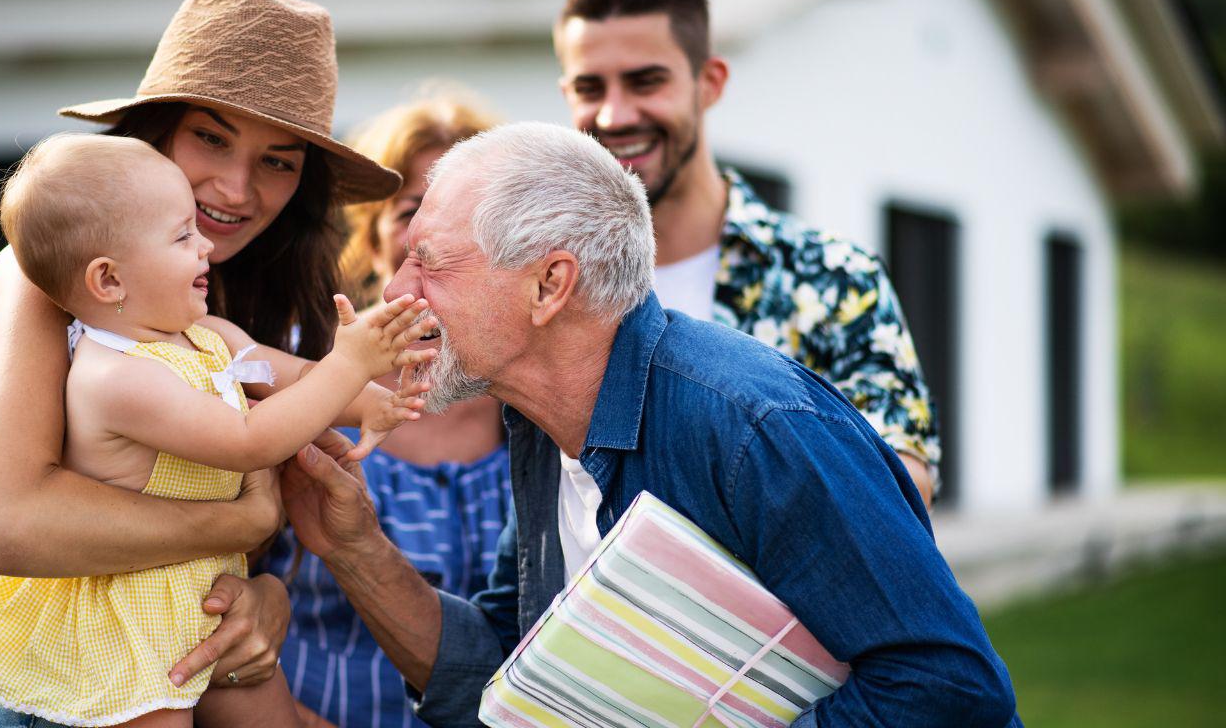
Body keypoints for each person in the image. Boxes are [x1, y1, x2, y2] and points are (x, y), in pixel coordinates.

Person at [281, 122, 1022, 726]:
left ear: (549, 285)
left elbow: (950, 690)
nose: (397, 292)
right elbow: (509, 669)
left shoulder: (750, 429)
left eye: (430, 264)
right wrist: (354, 549)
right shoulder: (540, 424)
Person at [0, 0, 401, 726]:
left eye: (278, 162)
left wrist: (266, 596)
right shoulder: (47, 282)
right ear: (153, 133)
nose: (234, 188)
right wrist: (239, 526)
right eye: (210, 138)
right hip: (52, 689)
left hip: (177, 660)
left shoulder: (222, 299)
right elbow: (0, 525)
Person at [553, 0, 939, 505]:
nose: (614, 116)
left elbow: (901, 489)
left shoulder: (833, 280)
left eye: (645, 81)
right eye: (591, 88)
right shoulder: (547, 287)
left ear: (709, 83)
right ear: (568, 95)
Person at [259, 92, 510, 728]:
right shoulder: (294, 378)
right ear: (373, 240)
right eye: (411, 212)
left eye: (469, 214)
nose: (435, 234)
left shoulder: (533, 408)